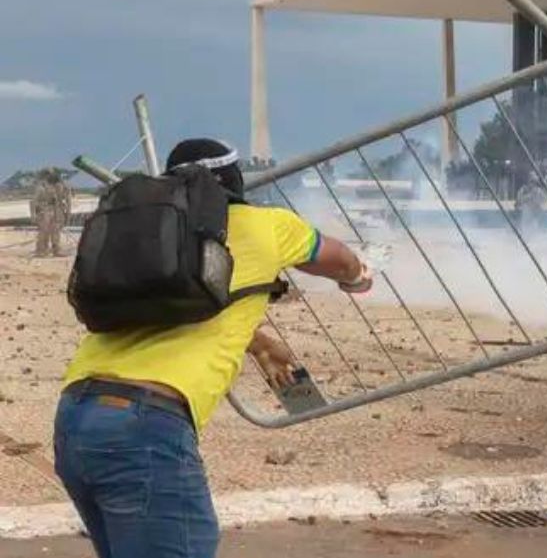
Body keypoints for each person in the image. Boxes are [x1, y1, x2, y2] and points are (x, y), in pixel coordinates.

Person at [54, 139, 375, 558]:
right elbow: (338, 258)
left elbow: (177, 316)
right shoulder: (269, 225)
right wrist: (358, 278)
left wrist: (257, 342)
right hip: (145, 427)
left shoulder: (158, 239)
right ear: (234, 180)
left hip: (77, 415)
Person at [31, 168, 72, 257]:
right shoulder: (42, 186)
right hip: (44, 211)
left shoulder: (63, 186)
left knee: (56, 231)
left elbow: (68, 201)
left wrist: (68, 214)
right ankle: (41, 251)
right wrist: (33, 214)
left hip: (56, 211)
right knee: (44, 231)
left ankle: (56, 250)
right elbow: (33, 201)